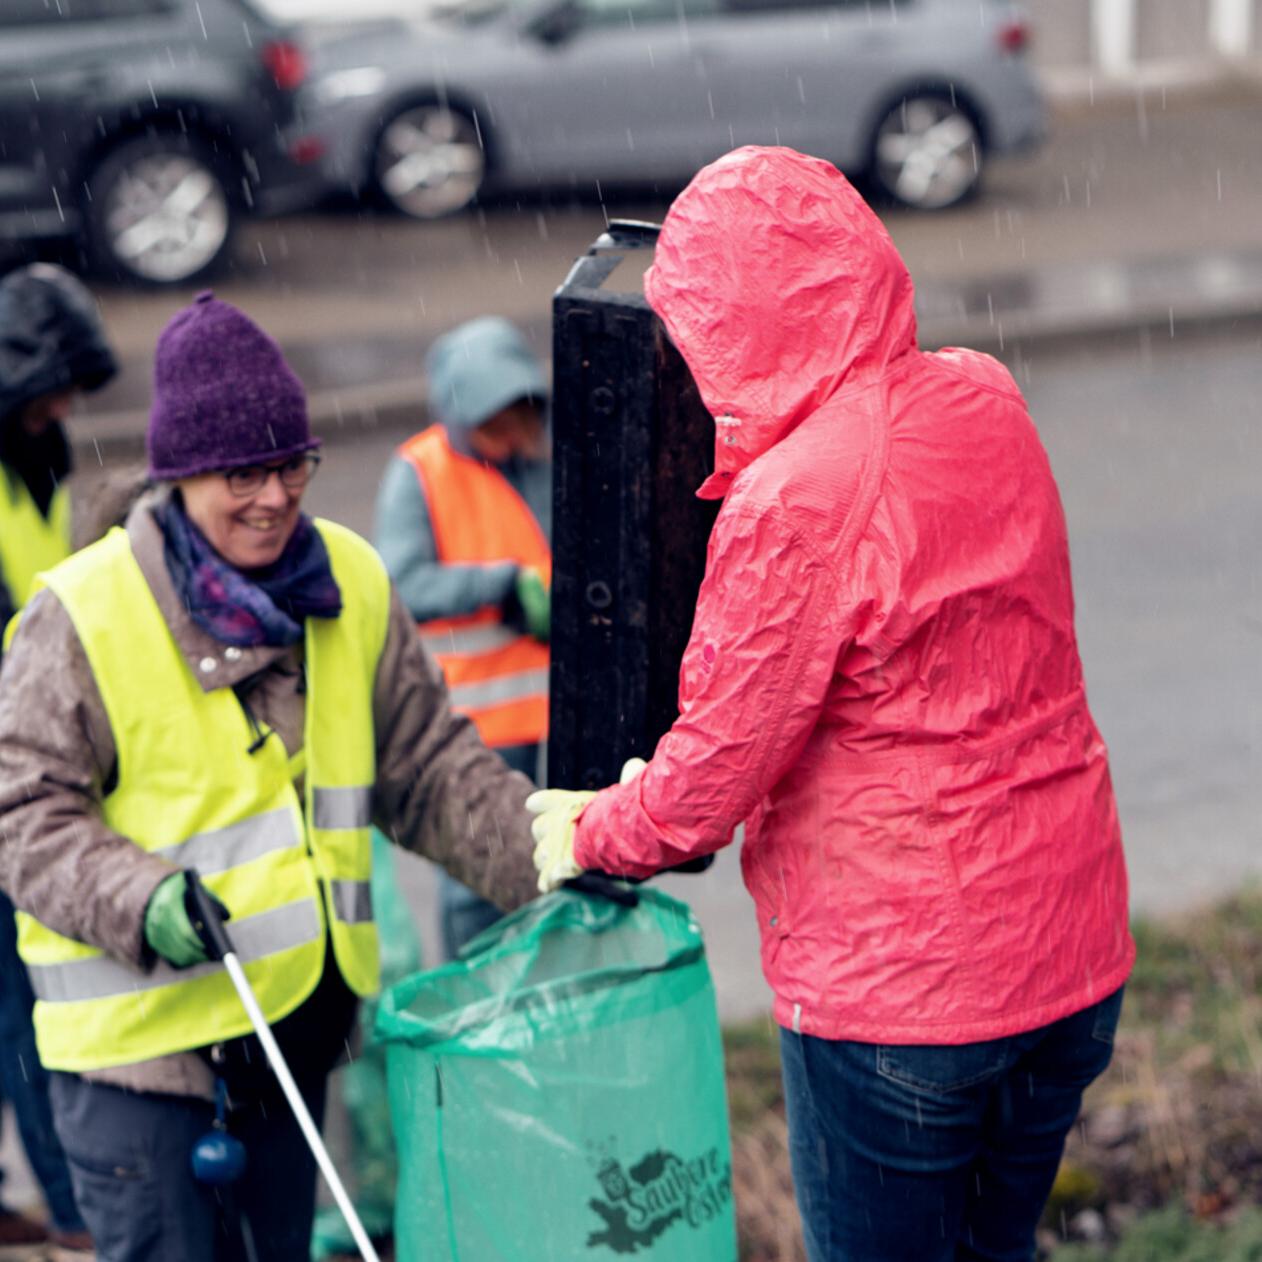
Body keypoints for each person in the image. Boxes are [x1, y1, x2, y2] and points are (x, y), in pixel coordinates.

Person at [528, 147, 1134, 1262]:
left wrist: (586, 826)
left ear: (725, 330)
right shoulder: (981, 394)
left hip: (904, 997)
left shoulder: (793, 498)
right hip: (1069, 954)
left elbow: (705, 784)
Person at [0, 292, 539, 1262]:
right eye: (242, 472)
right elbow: (20, 811)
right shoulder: (80, 614)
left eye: (293, 463)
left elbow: (427, 768)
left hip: (288, 1034)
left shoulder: (350, 581)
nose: (275, 494)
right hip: (141, 1065)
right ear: (180, 473)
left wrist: (562, 853)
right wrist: (140, 894)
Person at [0, 262, 117, 1254]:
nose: (67, 407)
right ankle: (73, 1210)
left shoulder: (38, 455)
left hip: (29, 748)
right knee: (16, 996)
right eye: (57, 387)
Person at [374, 316, 551, 958]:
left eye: (517, 417)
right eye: (491, 420)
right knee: (478, 882)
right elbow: (401, 582)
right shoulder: (420, 471)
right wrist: (502, 587)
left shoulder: (543, 454)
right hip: (478, 722)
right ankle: (481, 1006)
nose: (507, 436)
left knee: (557, 870)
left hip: (553, 716)